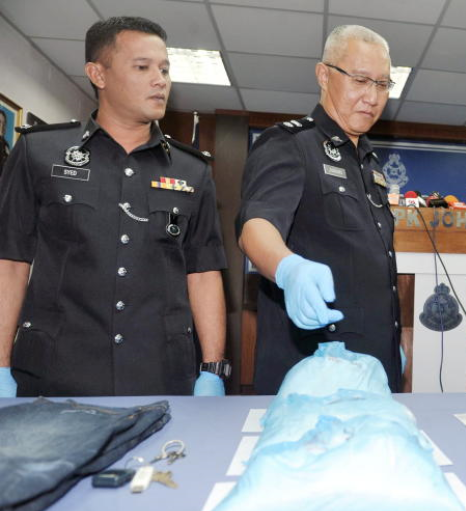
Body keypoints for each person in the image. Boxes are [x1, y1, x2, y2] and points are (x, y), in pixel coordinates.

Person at [0, 16, 229, 397]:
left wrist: (213, 369)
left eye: (164, 69)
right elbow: (10, 262)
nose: (160, 80)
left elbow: (203, 273)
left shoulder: (193, 170)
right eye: (142, 67)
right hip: (56, 370)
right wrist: (0, 364)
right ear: (98, 74)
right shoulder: (39, 152)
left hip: (160, 373)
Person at [237, 25, 402, 394]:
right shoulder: (291, 144)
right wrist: (289, 268)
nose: (372, 96)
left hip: (374, 368)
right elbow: (256, 225)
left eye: (382, 84)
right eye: (360, 80)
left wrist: (392, 341)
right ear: (324, 75)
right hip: (313, 372)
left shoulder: (370, 164)